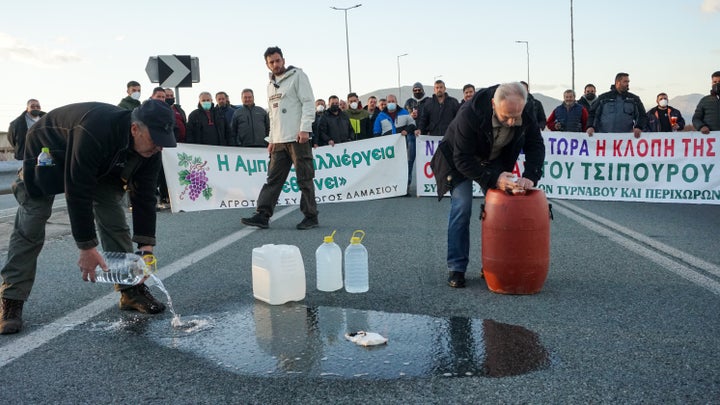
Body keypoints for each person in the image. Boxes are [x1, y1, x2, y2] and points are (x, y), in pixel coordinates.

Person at [0, 99, 177, 334]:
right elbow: (77, 189)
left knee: (114, 218)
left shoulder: (151, 148)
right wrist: (86, 246)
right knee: (32, 222)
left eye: (163, 143)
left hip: (101, 163)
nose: (159, 147)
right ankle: (11, 298)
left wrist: (146, 248)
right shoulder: (95, 129)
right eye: (155, 140)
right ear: (135, 129)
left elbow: (144, 196)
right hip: (49, 151)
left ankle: (130, 291)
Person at [429, 82, 545, 289]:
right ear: (493, 104)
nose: (511, 122)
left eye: (515, 117)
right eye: (505, 116)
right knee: (462, 207)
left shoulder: (525, 110)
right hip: (458, 160)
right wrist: (494, 179)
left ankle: (494, 264)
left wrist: (530, 176)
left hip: (494, 160)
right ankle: (457, 267)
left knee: (499, 210)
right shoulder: (469, 113)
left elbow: (536, 144)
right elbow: (462, 159)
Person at [241, 46, 318, 230]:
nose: (275, 64)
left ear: (283, 59)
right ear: (267, 65)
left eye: (278, 60)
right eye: (271, 62)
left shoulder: (297, 76)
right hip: (279, 141)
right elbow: (273, 116)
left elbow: (308, 103)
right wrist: (272, 140)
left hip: (297, 138)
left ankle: (310, 216)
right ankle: (262, 214)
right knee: (273, 179)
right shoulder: (270, 85)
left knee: (304, 179)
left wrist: (305, 129)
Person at [586, 73, 647, 138]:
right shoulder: (603, 98)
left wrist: (638, 127)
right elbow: (593, 114)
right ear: (617, 82)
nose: (627, 84)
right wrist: (590, 126)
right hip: (604, 138)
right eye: (625, 81)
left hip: (626, 139)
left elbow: (642, 115)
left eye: (628, 82)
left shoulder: (634, 99)